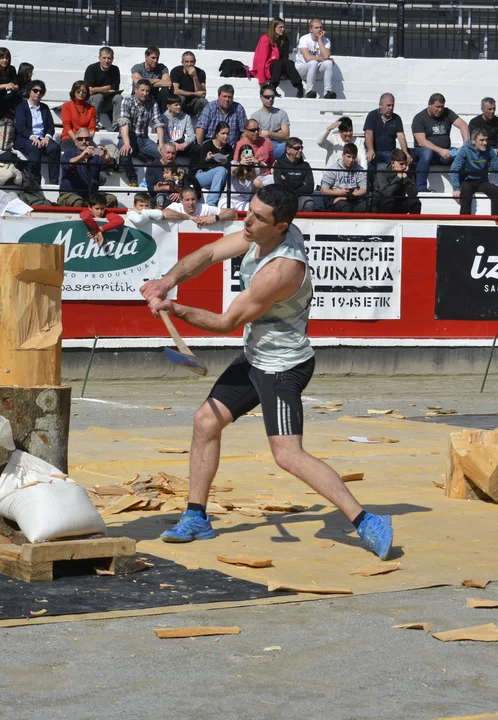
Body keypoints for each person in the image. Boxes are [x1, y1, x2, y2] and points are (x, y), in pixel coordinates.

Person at [139, 184, 394, 558]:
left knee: (287, 454)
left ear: (281, 226)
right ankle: (196, 517)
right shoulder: (260, 233)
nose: (247, 221)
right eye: (250, 211)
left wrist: (175, 309)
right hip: (256, 356)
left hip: (283, 366)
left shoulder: (280, 270)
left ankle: (366, 520)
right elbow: (209, 252)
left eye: (258, 217)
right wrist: (168, 281)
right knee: (205, 422)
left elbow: (226, 322)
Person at [411, 93, 469, 192]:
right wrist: (440, 150)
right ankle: (421, 187)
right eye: (437, 107)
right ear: (429, 104)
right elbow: (421, 142)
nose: (440, 110)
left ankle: (464, 186)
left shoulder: (447, 112)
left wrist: (465, 145)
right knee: (427, 152)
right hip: (426, 152)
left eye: (442, 107)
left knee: (464, 153)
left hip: (445, 152)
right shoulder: (419, 118)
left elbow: (463, 125)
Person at [14, 79, 61, 184]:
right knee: (35, 147)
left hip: (42, 138)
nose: (38, 93)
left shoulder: (44, 107)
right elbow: (21, 127)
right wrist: (32, 137)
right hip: (25, 138)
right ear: (29, 91)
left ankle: (54, 182)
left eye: (41, 91)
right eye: (35, 90)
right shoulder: (22, 107)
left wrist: (47, 137)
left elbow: (51, 126)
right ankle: (34, 180)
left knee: (55, 148)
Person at [117, 78, 161, 186]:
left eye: (147, 91)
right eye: (142, 90)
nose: (145, 93)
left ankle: (154, 179)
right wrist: (127, 143)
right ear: (136, 90)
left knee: (162, 154)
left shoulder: (153, 103)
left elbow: (158, 122)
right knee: (124, 152)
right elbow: (124, 121)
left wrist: (161, 143)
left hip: (144, 139)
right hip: (127, 137)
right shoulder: (127, 101)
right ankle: (133, 179)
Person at [451, 129, 498, 215]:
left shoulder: (489, 150)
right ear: (473, 141)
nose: (485, 143)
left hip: (482, 181)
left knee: (497, 191)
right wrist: (456, 189)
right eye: (482, 140)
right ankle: (464, 219)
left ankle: (496, 219)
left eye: (486, 140)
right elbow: (454, 169)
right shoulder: (464, 150)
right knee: (466, 191)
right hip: (467, 181)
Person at [364, 92, 410, 187]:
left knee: (400, 163)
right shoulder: (372, 115)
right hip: (375, 151)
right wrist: (371, 150)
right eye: (388, 105)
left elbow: (401, 136)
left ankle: (394, 188)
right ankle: (370, 190)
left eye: (392, 105)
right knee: (369, 165)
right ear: (380, 105)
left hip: (390, 152)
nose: (391, 108)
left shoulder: (396, 118)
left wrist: (405, 152)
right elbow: (368, 133)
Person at [58, 128, 113, 206]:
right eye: (80, 139)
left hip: (91, 195)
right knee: (78, 202)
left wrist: (108, 159)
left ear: (91, 141)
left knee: (111, 199)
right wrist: (82, 156)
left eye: (87, 139)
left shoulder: (97, 155)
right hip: (70, 193)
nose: (84, 141)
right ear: (75, 142)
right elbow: (68, 164)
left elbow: (110, 167)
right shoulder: (68, 154)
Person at [252, 17, 303, 97]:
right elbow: (261, 59)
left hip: (280, 67)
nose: (283, 29)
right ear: (274, 28)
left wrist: (283, 73)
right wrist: (262, 79)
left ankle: (299, 86)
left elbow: (285, 57)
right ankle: (273, 86)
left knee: (289, 63)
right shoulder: (266, 39)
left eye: (283, 27)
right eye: (280, 27)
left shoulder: (284, 40)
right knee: (278, 63)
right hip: (269, 67)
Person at [190, 121, 232, 206]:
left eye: (227, 134)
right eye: (223, 133)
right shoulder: (207, 145)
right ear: (216, 134)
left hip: (219, 178)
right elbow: (199, 165)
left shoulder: (229, 148)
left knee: (223, 171)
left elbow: (229, 165)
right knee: (221, 170)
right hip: (202, 175)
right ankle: (211, 204)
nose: (226, 136)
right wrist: (207, 159)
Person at [295, 18, 337, 99]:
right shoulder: (304, 39)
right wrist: (323, 59)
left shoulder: (326, 40)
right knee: (313, 62)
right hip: (302, 70)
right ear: (311, 29)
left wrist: (319, 40)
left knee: (328, 63)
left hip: (316, 71)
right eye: (316, 27)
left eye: (321, 27)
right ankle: (309, 91)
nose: (319, 29)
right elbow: (307, 58)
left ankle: (327, 92)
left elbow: (326, 56)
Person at [320, 142, 367, 212]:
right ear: (343, 155)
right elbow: (323, 190)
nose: (351, 160)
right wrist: (340, 193)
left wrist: (349, 195)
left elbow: (364, 189)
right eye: (349, 156)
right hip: (337, 199)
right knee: (345, 208)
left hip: (354, 198)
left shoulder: (360, 169)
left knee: (366, 206)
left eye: (353, 157)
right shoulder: (333, 169)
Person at [84, 46, 122, 132]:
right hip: (92, 101)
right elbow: (89, 90)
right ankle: (93, 123)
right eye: (104, 58)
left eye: (109, 58)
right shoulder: (92, 69)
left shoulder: (115, 70)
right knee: (98, 96)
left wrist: (96, 89)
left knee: (118, 97)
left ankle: (116, 125)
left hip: (106, 102)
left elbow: (114, 89)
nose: (106, 61)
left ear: (112, 59)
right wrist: (106, 88)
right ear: (99, 58)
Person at [272, 137, 316, 212]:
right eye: (297, 148)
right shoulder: (279, 164)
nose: (300, 150)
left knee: (309, 203)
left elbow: (310, 188)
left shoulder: (306, 165)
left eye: (301, 148)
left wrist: (287, 182)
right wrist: (301, 183)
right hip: (285, 199)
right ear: (288, 149)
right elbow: (280, 187)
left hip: (300, 199)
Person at [372, 149, 420, 214]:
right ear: (392, 163)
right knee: (389, 201)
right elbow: (387, 193)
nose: (404, 166)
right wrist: (398, 177)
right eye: (401, 164)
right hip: (382, 203)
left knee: (415, 202)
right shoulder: (382, 172)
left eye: (406, 163)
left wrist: (405, 177)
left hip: (399, 201)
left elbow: (413, 194)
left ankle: (413, 220)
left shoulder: (408, 172)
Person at [249, 84, 290, 160]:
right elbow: (255, 136)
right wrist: (278, 133)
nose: (270, 99)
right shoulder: (255, 116)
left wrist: (268, 133)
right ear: (261, 97)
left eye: (272, 97)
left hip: (279, 146)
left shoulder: (282, 113)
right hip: (262, 146)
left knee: (291, 146)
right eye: (267, 97)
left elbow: (286, 136)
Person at [163, 185, 237, 226]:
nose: (191, 203)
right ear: (181, 201)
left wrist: (215, 218)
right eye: (187, 200)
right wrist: (190, 217)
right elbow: (164, 213)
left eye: (193, 199)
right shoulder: (176, 207)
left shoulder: (204, 208)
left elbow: (233, 213)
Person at [145, 142, 189, 208]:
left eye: (173, 153)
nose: (170, 156)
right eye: (168, 153)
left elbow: (186, 186)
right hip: (159, 201)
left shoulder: (180, 168)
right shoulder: (152, 167)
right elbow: (151, 188)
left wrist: (179, 193)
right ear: (161, 152)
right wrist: (168, 187)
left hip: (177, 201)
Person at [130, 46, 171, 112]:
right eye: (153, 58)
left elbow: (168, 83)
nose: (155, 61)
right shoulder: (137, 68)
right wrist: (157, 80)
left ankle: (163, 115)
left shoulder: (162, 68)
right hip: (139, 98)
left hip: (154, 98)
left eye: (157, 58)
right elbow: (139, 83)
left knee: (165, 90)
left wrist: (147, 82)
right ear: (146, 57)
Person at [60, 80, 96, 153]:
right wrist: (76, 140)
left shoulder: (92, 108)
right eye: (78, 91)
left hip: (86, 140)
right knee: (75, 152)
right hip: (69, 138)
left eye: (84, 91)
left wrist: (87, 140)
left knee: (98, 153)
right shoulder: (66, 106)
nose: (81, 93)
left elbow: (92, 128)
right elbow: (67, 126)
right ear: (74, 92)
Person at [155, 94, 195, 159]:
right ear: (168, 106)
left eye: (180, 105)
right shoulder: (162, 118)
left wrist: (185, 144)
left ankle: (194, 166)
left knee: (197, 149)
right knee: (163, 151)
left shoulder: (186, 117)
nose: (179, 107)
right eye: (176, 105)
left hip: (181, 144)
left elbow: (192, 136)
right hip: (168, 143)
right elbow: (164, 137)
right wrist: (174, 144)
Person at [170, 51, 207, 118]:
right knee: (181, 98)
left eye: (191, 62)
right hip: (180, 102)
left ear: (195, 62)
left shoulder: (200, 72)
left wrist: (195, 76)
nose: (189, 64)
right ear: (182, 63)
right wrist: (195, 94)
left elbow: (202, 94)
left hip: (193, 102)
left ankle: (202, 123)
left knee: (203, 102)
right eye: (187, 62)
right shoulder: (176, 71)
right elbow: (176, 91)